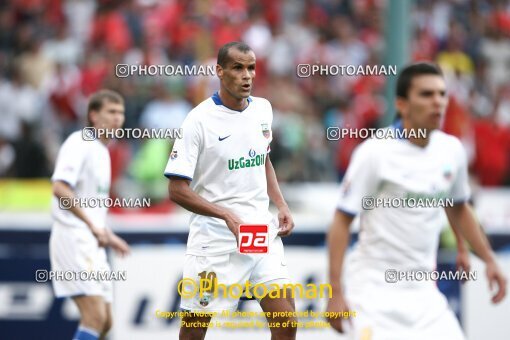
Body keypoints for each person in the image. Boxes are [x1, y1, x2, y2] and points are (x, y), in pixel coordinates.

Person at [326, 63, 507, 340]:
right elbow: (341, 221)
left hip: (425, 297)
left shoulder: (451, 150)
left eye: (441, 94)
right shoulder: (375, 153)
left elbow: (458, 206)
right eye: (426, 94)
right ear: (402, 104)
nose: (438, 102)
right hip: (373, 295)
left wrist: (488, 259)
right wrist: (335, 293)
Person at [164, 41, 296, 340]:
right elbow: (176, 189)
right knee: (195, 331)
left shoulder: (263, 109)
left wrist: (281, 204)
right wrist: (225, 214)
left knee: (286, 320)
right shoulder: (198, 121)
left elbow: (262, 159)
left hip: (259, 234)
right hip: (215, 241)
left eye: (251, 67)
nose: (246, 75)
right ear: (220, 72)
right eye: (238, 68)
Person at [50, 89, 130, 340]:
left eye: (121, 113)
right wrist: (91, 226)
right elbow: (59, 187)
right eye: (111, 112)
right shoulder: (79, 142)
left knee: (105, 322)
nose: (118, 118)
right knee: (94, 316)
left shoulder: (103, 151)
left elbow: (91, 206)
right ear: (94, 116)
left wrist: (107, 233)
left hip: (92, 241)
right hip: (73, 239)